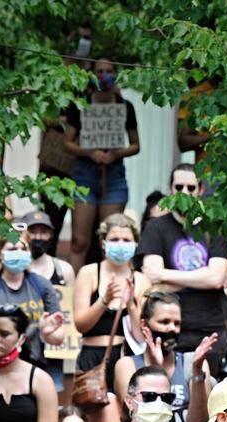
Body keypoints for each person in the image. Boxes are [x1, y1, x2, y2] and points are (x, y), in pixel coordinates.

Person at [137, 165, 227, 359]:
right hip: (167, 326)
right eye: (179, 187)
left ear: (201, 190)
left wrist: (164, 274)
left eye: (191, 187)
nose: (184, 192)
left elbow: (215, 279)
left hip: (210, 326)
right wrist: (202, 276)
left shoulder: (214, 227)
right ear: (170, 189)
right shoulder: (155, 228)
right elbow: (154, 284)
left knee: (207, 387)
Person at [72, 213, 148, 422]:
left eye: (126, 240)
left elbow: (143, 335)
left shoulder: (141, 280)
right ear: (104, 243)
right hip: (93, 357)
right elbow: (80, 324)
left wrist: (132, 304)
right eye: (115, 240)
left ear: (135, 243)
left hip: (127, 357)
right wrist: (104, 301)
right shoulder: (89, 273)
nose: (120, 245)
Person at [62, 60, 141, 271]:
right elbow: (67, 142)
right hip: (84, 174)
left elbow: (135, 145)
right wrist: (89, 152)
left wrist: (115, 155)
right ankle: (76, 290)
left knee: (110, 239)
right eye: (100, 71)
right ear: (92, 75)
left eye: (109, 71)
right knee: (79, 241)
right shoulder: (80, 105)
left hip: (113, 175)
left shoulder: (125, 107)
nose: (104, 75)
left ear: (115, 73)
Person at [111, 290, 214, 422]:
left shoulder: (191, 362)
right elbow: (135, 419)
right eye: (164, 322)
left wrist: (197, 371)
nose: (172, 329)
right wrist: (156, 369)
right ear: (145, 324)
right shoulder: (127, 365)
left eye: (177, 323)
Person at [0, 228, 70, 387]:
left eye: (24, 249)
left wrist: (47, 332)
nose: (19, 253)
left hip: (31, 370)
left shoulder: (42, 285)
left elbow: (58, 337)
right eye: (13, 249)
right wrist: (14, 345)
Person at [19, 208, 77, 290]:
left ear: (51, 235)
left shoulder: (64, 271)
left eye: (43, 232)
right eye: (33, 231)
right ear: (22, 234)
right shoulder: (13, 269)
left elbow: (69, 301)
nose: (38, 237)